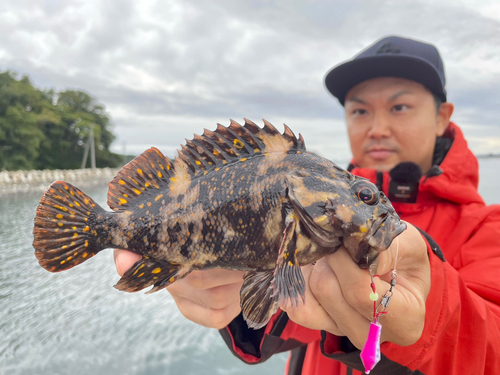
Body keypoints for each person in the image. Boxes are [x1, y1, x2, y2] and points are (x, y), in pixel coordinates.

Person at [114, 36, 500, 374]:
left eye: (399, 107)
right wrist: (226, 299)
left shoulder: (488, 228)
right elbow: (288, 312)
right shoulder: (317, 199)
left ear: (441, 117)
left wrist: (429, 306)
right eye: (359, 110)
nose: (377, 127)